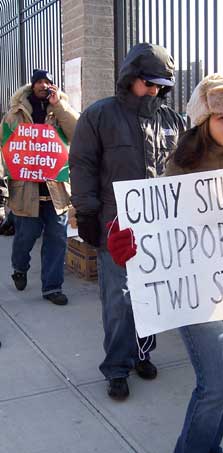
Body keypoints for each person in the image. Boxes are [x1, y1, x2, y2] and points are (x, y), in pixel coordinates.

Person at [107, 73, 223, 453]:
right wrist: (122, 239)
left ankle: (210, 449)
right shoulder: (182, 167)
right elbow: (152, 220)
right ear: (203, 120)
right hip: (198, 294)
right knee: (214, 384)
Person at [69, 43, 185, 400]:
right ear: (130, 78)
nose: (153, 90)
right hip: (114, 227)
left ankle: (142, 353)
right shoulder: (100, 115)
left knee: (150, 296)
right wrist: (86, 213)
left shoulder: (173, 121)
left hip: (159, 228)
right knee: (118, 299)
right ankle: (117, 367)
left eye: (159, 85)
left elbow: (188, 170)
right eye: (147, 83)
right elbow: (83, 165)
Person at [0, 69, 79, 305]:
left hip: (56, 191)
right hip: (26, 190)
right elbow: (4, 148)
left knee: (57, 240)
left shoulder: (60, 110)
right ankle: (20, 267)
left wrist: (59, 107)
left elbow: (77, 132)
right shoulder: (15, 115)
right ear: (32, 85)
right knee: (25, 238)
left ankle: (52, 287)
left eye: (48, 82)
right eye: (40, 82)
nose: (44, 86)